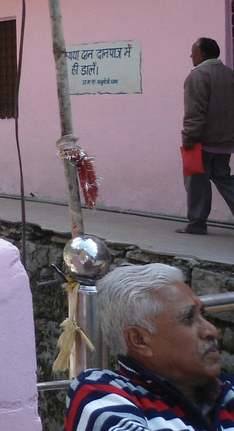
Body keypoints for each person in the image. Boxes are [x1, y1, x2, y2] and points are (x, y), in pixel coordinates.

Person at [66, 263, 233, 431]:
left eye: (202, 314)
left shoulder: (228, 390)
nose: (212, 330)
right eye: (189, 318)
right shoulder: (99, 394)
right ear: (140, 340)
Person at [180, 37, 234, 234]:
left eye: (193, 53)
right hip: (226, 141)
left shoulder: (198, 76)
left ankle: (197, 223)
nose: (191, 56)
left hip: (202, 141)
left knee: (196, 182)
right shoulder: (229, 74)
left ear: (202, 55)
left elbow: (195, 112)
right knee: (224, 178)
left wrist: (188, 138)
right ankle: (197, 223)